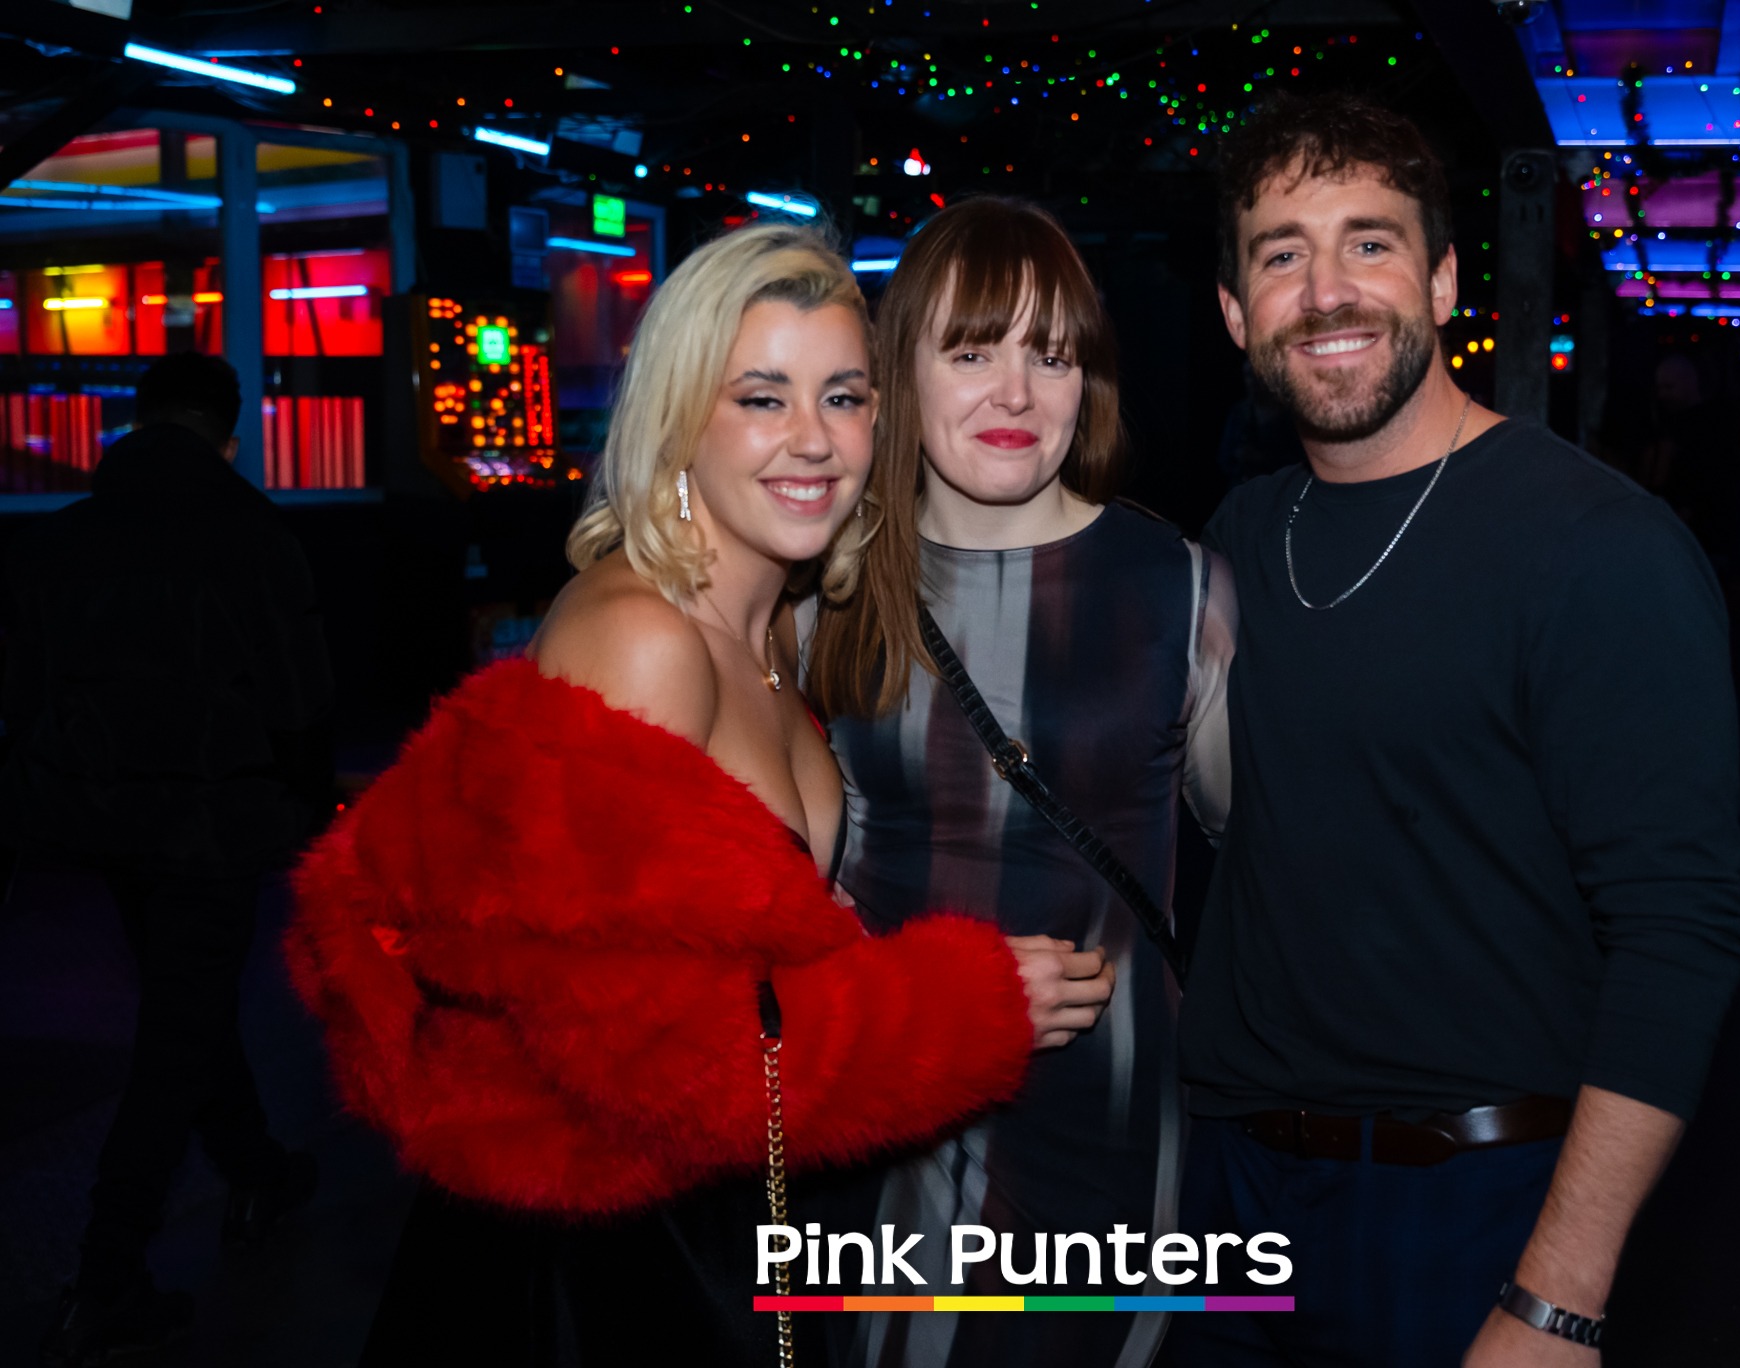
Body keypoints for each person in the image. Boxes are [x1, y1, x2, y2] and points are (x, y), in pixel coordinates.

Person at [286, 223, 1109, 1366]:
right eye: (761, 398)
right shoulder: (640, 639)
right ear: (679, 421)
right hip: (587, 1268)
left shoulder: (773, 630)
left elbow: (710, 942)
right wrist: (969, 1006)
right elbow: (651, 1063)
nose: (813, 439)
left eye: (842, 397)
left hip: (707, 1226)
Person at [1167, 92, 1740, 1367]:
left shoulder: (1594, 549)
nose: (1326, 292)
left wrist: (1557, 1293)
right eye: (1281, 255)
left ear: (1439, 283)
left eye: (1368, 244)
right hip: (1231, 1196)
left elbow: (1676, 935)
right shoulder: (1238, 539)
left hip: (1471, 1202)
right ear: (1234, 313)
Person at [805, 197, 1233, 1368]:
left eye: (1051, 355)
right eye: (970, 351)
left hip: (1111, 1136)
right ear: (899, 370)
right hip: (887, 1132)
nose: (1015, 393)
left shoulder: (1179, 587)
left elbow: (1262, 854)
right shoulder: (825, 583)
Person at [1, 353, 331, 1365]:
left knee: (188, 1005)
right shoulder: (254, 536)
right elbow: (297, 695)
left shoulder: (66, 536)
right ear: (229, 435)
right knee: (178, 1031)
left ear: (138, 421)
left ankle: (254, 1166)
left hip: (102, 820)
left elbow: (27, 687)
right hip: (215, 822)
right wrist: (309, 802)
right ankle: (107, 1273)